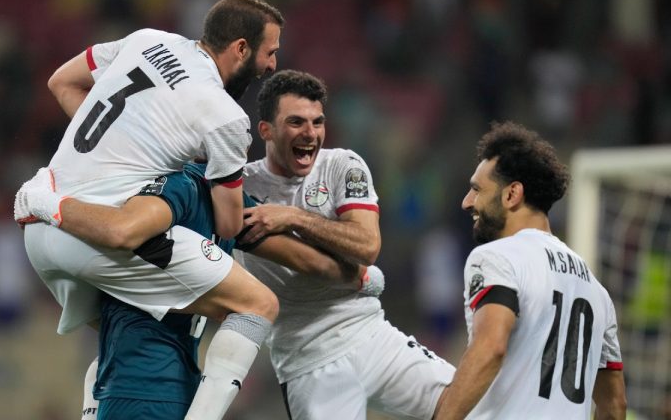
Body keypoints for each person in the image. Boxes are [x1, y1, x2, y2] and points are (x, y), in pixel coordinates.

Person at [14, 0, 286, 420]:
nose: (272, 65)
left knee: (124, 329)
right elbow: (231, 224)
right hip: (95, 231)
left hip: (39, 238)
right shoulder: (224, 115)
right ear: (240, 48)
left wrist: (121, 147)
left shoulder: (146, 39)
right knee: (257, 304)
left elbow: (60, 82)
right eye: (270, 52)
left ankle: (93, 411)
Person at [48, 162, 381, 419]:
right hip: (144, 387)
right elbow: (121, 233)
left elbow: (307, 260)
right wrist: (49, 206)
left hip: (168, 383)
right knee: (258, 303)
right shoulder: (177, 189)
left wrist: (360, 277)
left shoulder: (225, 202)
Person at [235, 69, 455, 420]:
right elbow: (306, 265)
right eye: (296, 122)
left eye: (317, 122)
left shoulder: (343, 165)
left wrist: (293, 217)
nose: (310, 133)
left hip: (371, 333)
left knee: (474, 406)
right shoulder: (241, 188)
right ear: (266, 130)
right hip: (308, 358)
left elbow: (367, 245)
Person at [434, 122, 627, 419]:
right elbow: (614, 406)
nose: (467, 202)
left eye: (476, 189)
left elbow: (491, 347)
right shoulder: (597, 292)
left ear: (512, 194)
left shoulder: (496, 257)